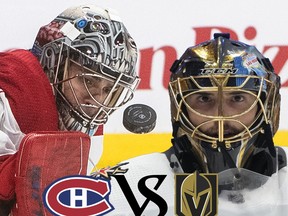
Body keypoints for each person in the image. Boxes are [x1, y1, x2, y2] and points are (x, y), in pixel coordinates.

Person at [100, 33, 288, 215]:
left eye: (237, 98)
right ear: (181, 107)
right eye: (204, 98)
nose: (219, 115)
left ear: (265, 105)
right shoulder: (133, 182)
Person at [0, 4, 139, 215]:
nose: (98, 100)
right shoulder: (10, 93)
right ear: (53, 62)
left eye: (109, 88)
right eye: (88, 81)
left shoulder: (90, 132)